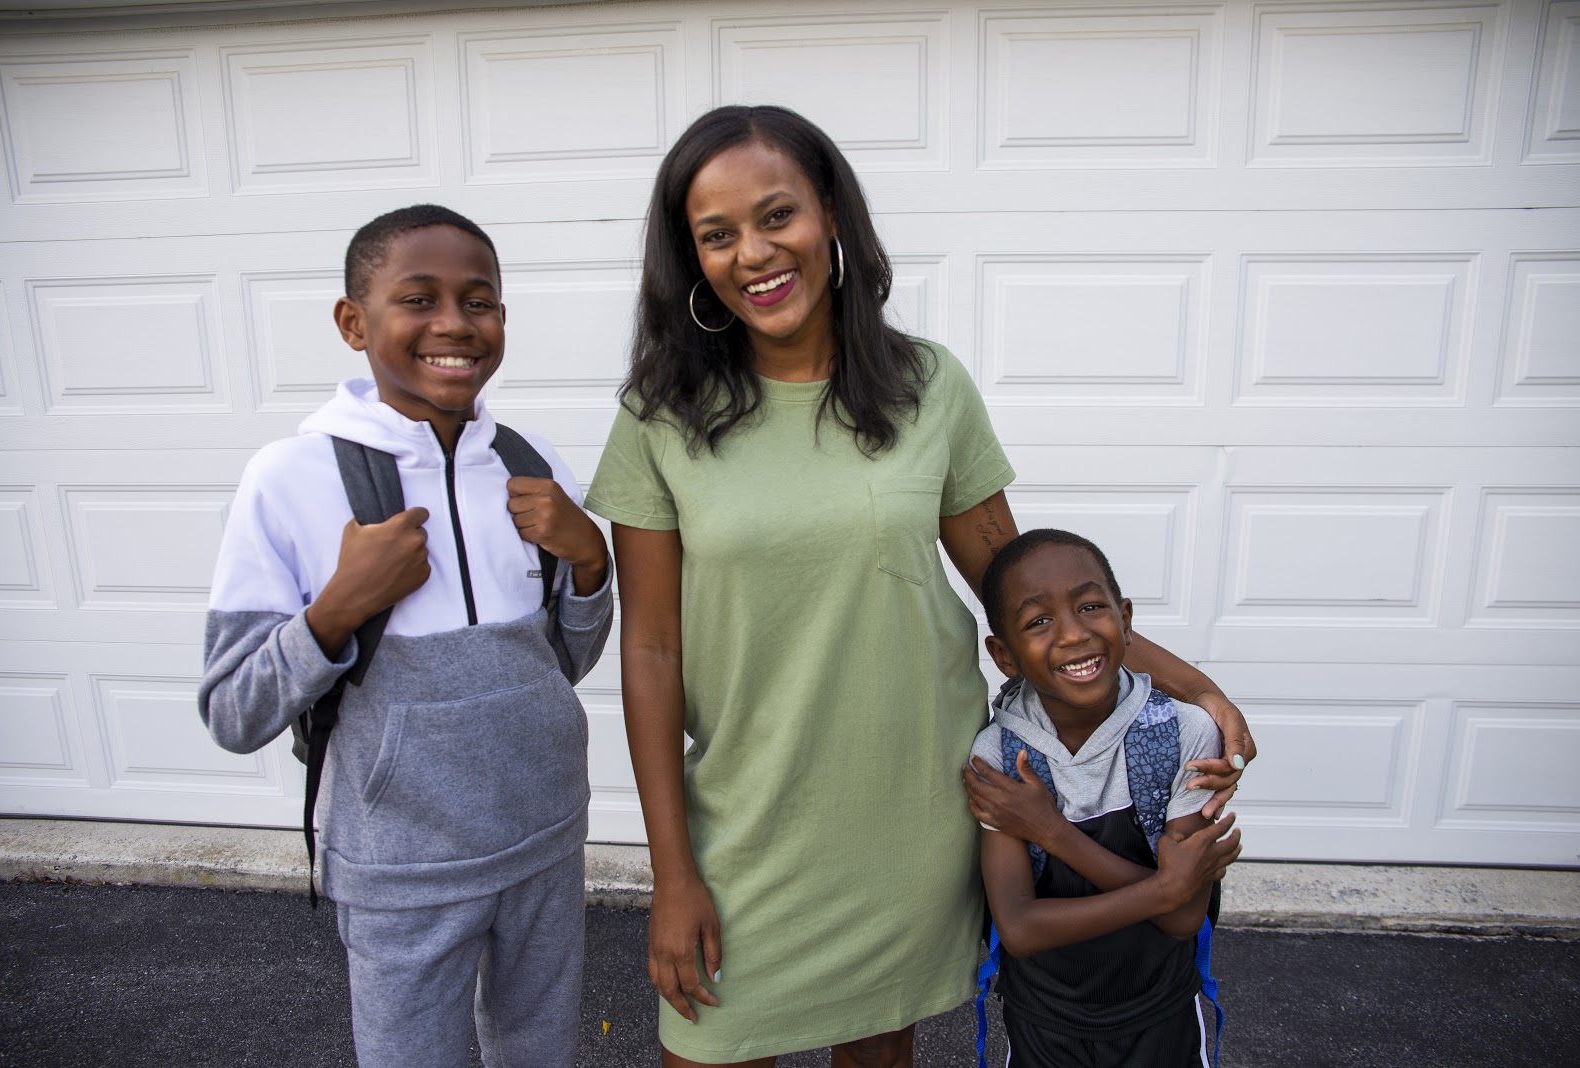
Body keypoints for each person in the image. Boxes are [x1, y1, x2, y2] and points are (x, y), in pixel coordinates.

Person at [584, 105, 1253, 1068]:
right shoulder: (662, 414)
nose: (754, 254)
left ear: (831, 215)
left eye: (778, 216)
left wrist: (1195, 687)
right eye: (717, 234)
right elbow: (650, 650)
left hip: (906, 812)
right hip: (745, 817)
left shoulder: (927, 385)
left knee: (878, 1054)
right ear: (691, 259)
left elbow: (1022, 597)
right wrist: (672, 873)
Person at [197, 204, 613, 1068]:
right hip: (402, 869)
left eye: (478, 301)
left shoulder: (532, 466)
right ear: (354, 323)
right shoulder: (290, 478)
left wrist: (589, 564)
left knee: (540, 1052)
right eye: (418, 299)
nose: (454, 324)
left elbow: (558, 666)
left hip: (545, 838)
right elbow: (234, 711)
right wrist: (334, 611)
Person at [965, 529, 1243, 1067]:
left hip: (1163, 1016)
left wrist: (1051, 833)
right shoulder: (997, 754)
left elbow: (1184, 918)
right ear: (1004, 655)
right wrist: (1164, 887)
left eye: (1090, 606)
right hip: (1043, 1024)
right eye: (1038, 621)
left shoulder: (1183, 734)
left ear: (1126, 619)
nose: (1073, 634)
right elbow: (1019, 929)